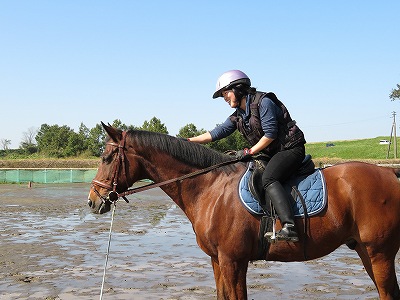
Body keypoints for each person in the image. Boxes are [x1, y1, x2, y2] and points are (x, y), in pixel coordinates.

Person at [189, 70, 306, 242]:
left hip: (290, 149)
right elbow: (216, 133)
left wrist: (249, 152)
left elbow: (270, 134)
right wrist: (187, 141)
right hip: (269, 153)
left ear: (238, 89)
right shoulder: (238, 116)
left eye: (225, 93)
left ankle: (290, 226)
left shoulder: (264, 102)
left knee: (269, 178)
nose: (225, 98)